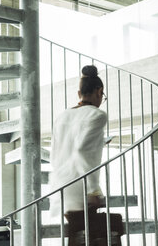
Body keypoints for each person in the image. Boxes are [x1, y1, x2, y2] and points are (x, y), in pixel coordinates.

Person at [49, 65, 112, 245]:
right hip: (80, 186)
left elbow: (55, 153)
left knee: (78, 238)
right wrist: (93, 189)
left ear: (79, 93)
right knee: (93, 237)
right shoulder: (97, 115)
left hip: (61, 184)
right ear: (99, 91)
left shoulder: (62, 116)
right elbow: (82, 150)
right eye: (103, 96)